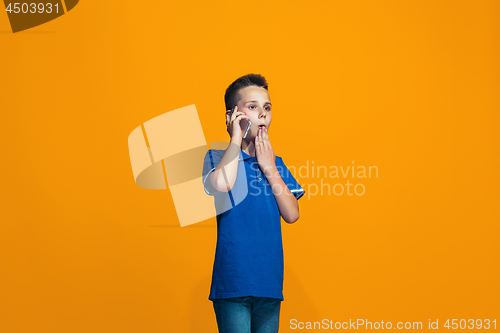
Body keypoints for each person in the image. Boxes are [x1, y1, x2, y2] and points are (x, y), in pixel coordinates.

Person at [202, 73, 305, 333]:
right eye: (252, 106)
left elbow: (292, 214)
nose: (262, 113)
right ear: (233, 115)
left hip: (269, 284)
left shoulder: (276, 164)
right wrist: (235, 140)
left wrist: (269, 168)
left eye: (267, 107)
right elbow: (222, 185)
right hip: (232, 283)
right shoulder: (217, 157)